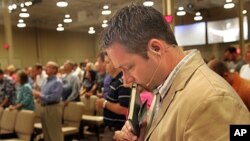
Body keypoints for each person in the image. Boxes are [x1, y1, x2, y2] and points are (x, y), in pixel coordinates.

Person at [100, 5, 250, 141]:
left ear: (156, 49)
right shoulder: (165, 88)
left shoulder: (211, 100)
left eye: (129, 67)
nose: (126, 80)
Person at [95, 55, 131, 141]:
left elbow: (124, 109)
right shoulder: (114, 80)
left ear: (115, 63)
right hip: (112, 128)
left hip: (117, 129)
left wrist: (104, 103)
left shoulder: (122, 81)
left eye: (107, 62)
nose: (104, 65)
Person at [33, 61, 63, 141]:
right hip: (44, 107)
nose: (46, 68)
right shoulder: (45, 81)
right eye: (46, 66)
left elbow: (54, 97)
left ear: (54, 70)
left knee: (54, 133)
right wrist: (39, 97)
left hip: (53, 108)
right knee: (46, 133)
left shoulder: (57, 82)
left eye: (48, 67)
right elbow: (44, 94)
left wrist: (39, 95)